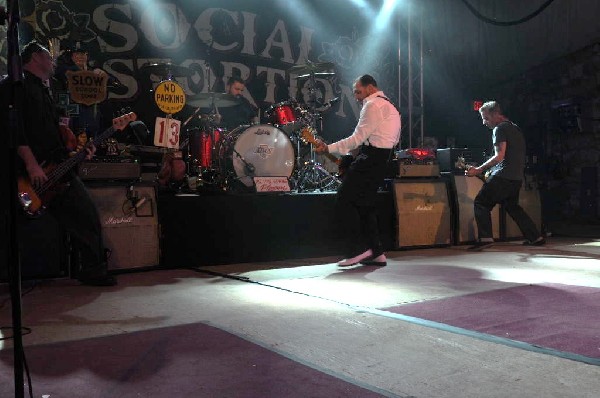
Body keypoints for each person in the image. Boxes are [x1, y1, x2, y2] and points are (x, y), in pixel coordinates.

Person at [0, 41, 116, 286]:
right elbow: (14, 129)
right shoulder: (14, 85)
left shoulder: (44, 90)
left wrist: (79, 152)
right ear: (35, 57)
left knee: (85, 215)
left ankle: (93, 268)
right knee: (19, 218)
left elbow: (53, 134)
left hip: (55, 170)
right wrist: (32, 165)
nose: (52, 61)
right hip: (28, 173)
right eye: (48, 56)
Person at [315, 74, 400, 266]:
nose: (356, 96)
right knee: (365, 205)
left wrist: (328, 148)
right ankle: (377, 252)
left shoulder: (372, 105)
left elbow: (357, 139)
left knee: (344, 200)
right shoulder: (389, 105)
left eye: (358, 91)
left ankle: (358, 250)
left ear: (370, 88)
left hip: (371, 158)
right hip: (383, 159)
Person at [466, 101, 545, 249]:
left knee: (481, 203)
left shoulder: (499, 129)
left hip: (503, 176)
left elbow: (499, 156)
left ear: (496, 114)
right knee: (512, 206)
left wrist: (479, 169)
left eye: (486, 118)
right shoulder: (515, 128)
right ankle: (535, 237)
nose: (484, 122)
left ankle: (485, 238)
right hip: (516, 178)